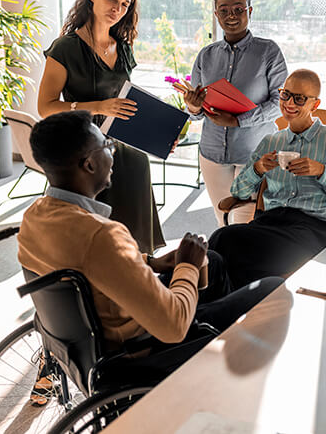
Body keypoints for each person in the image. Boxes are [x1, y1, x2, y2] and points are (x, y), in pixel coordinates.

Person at [17, 111, 284, 401]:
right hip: (142, 350)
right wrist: (187, 267)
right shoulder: (102, 234)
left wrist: (152, 262)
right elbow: (173, 327)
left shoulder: (35, 217)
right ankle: (227, 364)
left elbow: (85, 264)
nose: (113, 151)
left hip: (88, 338)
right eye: (107, 145)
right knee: (271, 288)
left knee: (216, 262)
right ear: (89, 164)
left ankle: (219, 347)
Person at [37, 0, 163, 254]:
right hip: (83, 152)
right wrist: (97, 107)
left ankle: (138, 276)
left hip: (125, 149)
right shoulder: (65, 48)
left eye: (125, 4)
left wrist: (159, 131)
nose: (117, 8)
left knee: (132, 239)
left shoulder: (124, 48)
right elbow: (45, 107)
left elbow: (127, 103)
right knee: (92, 239)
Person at [209, 69, 326, 288]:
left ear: (314, 105)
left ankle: (231, 305)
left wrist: (322, 171)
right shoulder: (271, 141)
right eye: (285, 94)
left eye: (299, 98)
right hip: (268, 223)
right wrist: (258, 168)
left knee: (244, 254)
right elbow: (238, 191)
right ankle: (219, 307)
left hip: (311, 229)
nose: (289, 102)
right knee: (221, 238)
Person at [183, 0, 288, 226]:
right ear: (216, 14)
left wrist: (239, 120)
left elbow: (280, 103)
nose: (232, 15)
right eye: (224, 10)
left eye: (239, 9)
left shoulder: (268, 52)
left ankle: (238, 264)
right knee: (222, 220)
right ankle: (225, 265)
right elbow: (196, 114)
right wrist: (193, 106)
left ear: (249, 11)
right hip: (211, 153)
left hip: (254, 154)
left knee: (245, 223)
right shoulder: (206, 56)